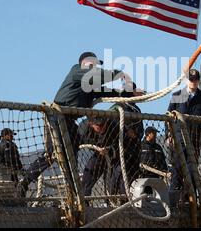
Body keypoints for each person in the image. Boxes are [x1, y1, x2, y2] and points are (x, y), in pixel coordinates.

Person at [20, 52, 131, 195]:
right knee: (52, 154)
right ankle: (24, 183)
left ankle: (75, 196)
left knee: (72, 158)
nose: (96, 66)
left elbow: (109, 92)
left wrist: (129, 92)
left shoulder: (89, 86)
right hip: (57, 117)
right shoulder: (76, 71)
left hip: (70, 122)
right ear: (86, 62)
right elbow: (98, 75)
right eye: (94, 64)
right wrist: (119, 74)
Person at [107, 82, 144, 197]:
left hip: (134, 148)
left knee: (132, 174)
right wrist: (126, 131)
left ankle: (127, 199)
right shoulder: (116, 107)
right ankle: (112, 197)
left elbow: (141, 129)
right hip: (120, 146)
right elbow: (111, 124)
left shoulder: (136, 109)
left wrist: (136, 135)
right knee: (118, 173)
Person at [81, 117, 120, 199]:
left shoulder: (113, 125)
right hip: (97, 153)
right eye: (99, 126)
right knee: (88, 175)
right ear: (92, 124)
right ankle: (84, 200)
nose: (102, 128)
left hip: (114, 156)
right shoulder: (84, 128)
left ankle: (110, 202)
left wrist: (109, 150)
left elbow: (120, 143)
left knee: (111, 182)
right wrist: (97, 146)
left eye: (103, 125)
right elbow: (82, 140)